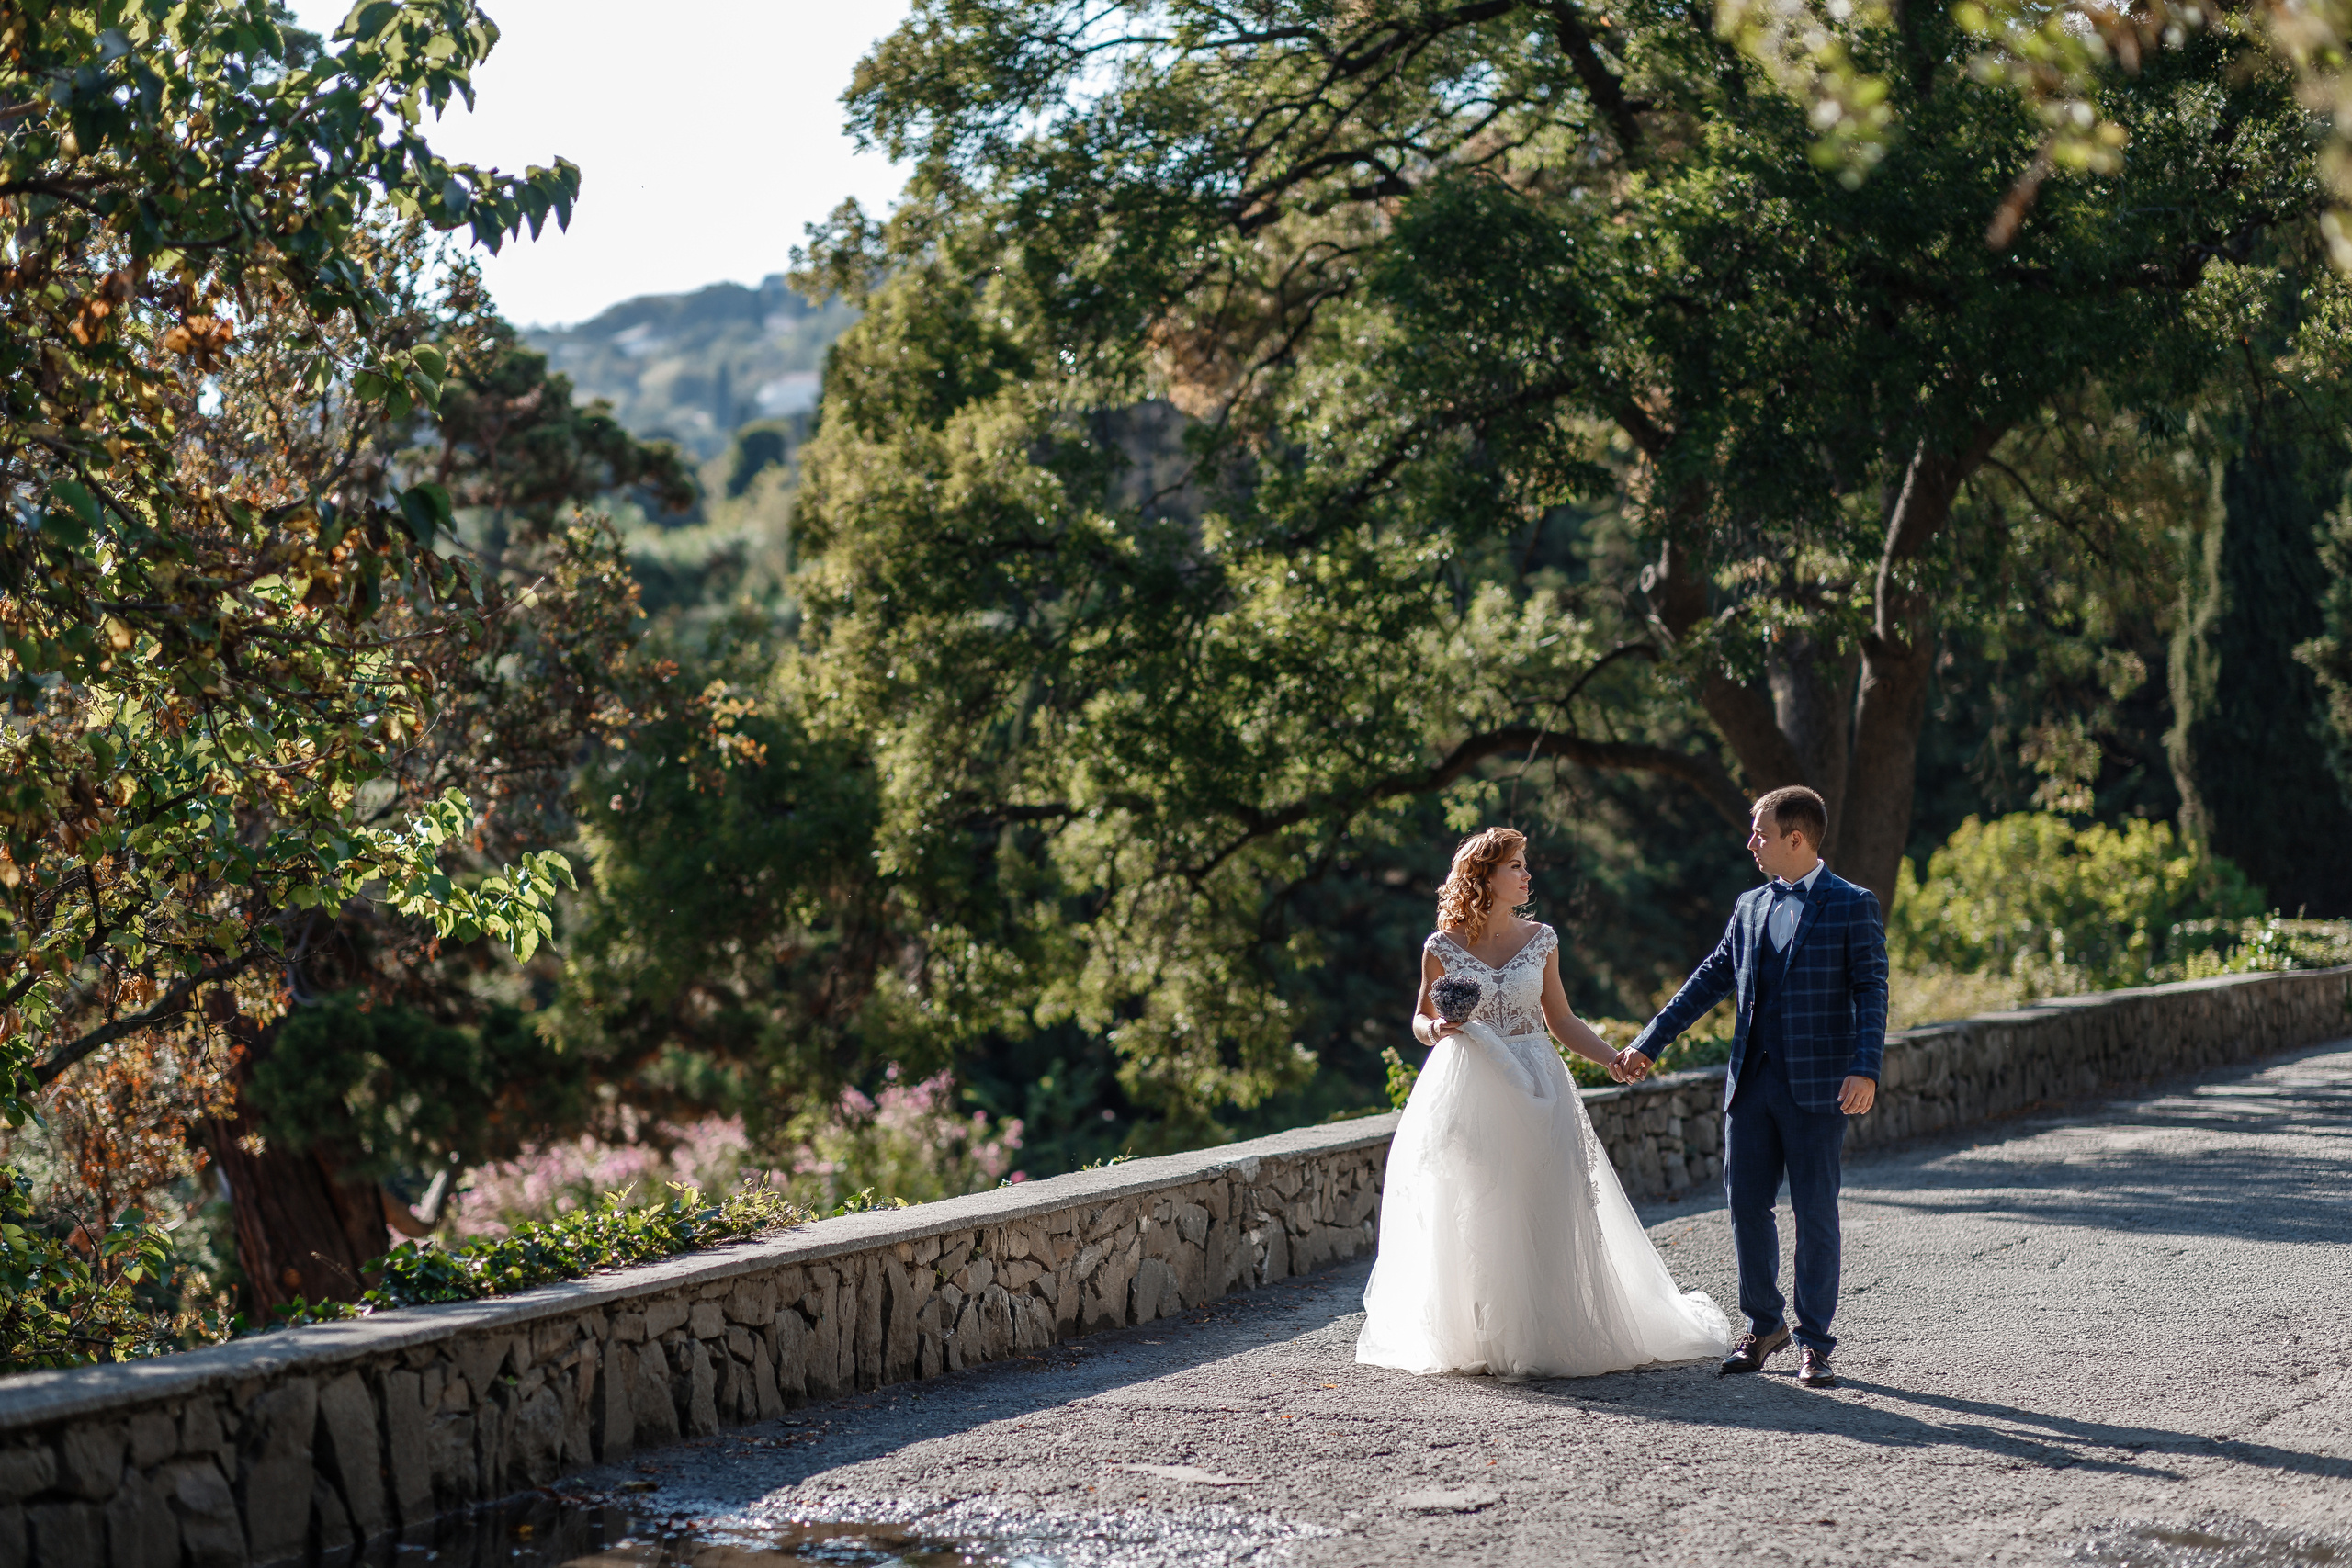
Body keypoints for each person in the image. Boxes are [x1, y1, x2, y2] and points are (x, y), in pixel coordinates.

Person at [1356, 827, 1730, 1379]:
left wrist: (1613, 1058)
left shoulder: (1543, 939)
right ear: (1484, 876)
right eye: (1516, 865)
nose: (1527, 874)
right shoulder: (1442, 946)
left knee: (1547, 1198)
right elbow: (1417, 1017)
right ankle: (1484, 1333)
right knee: (1478, 1203)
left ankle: (1551, 1330)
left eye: (1525, 864)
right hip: (1469, 1080)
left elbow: (1562, 1020)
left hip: (1538, 1078)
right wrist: (1437, 1027)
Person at [1616, 785, 1886, 1389]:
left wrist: (1865, 1066)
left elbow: (1871, 990)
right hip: (1751, 1086)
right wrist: (1650, 1040)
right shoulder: (1749, 905)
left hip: (1821, 1087)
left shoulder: (1853, 904)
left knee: (1816, 1211)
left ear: (1796, 837)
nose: (1751, 842)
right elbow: (1710, 978)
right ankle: (1764, 1325)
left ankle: (1815, 1343)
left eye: (1760, 832)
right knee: (1744, 1206)